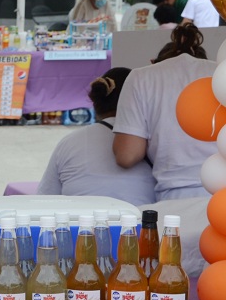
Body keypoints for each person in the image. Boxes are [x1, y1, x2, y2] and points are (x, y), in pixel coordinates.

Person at [113, 24, 218, 201]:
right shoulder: (219, 73)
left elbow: (127, 155)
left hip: (175, 199)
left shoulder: (141, 77)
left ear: (154, 62)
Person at [38, 68, 156, 206]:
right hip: (141, 225)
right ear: (138, 102)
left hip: (81, 224)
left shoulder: (69, 142)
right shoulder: (154, 140)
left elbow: (45, 200)